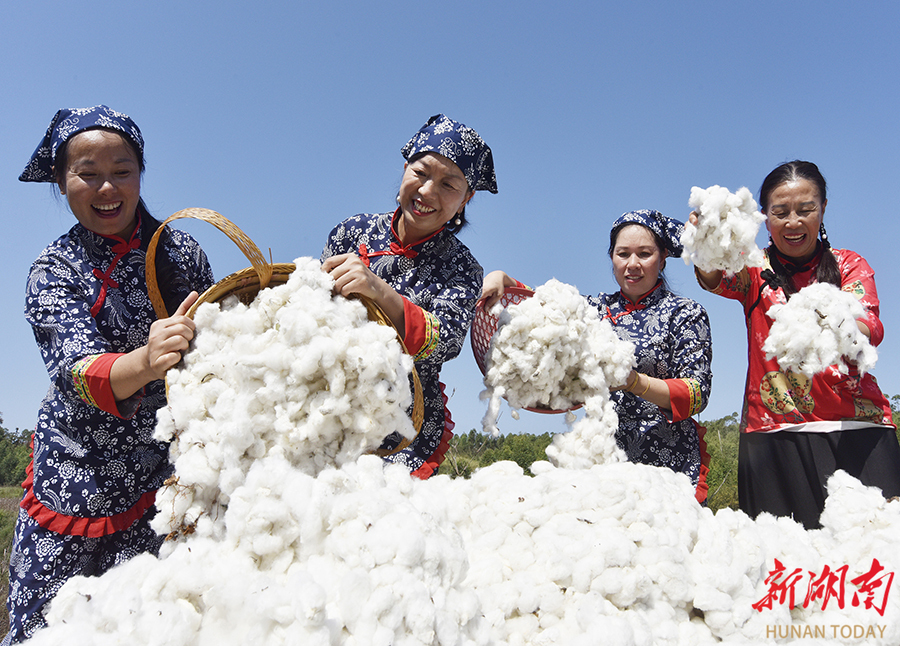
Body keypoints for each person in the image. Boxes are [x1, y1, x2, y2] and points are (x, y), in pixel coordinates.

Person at [4, 106, 215, 643]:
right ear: (61, 180)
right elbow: (77, 372)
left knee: (148, 624)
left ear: (141, 174)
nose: (107, 187)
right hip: (75, 480)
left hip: (158, 481)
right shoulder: (54, 270)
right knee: (49, 629)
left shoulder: (183, 252)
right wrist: (144, 362)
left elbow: (218, 341)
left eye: (122, 170)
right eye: (87, 172)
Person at [691, 160, 900, 529]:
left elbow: (869, 327)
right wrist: (707, 240)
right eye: (780, 211)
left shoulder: (849, 265)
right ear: (764, 217)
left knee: (878, 554)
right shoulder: (754, 270)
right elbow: (713, 276)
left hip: (858, 432)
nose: (793, 222)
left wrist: (841, 326)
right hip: (774, 436)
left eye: (806, 210)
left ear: (823, 210)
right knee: (788, 565)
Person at [481, 210, 713, 502]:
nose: (632, 264)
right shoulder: (594, 310)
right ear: (612, 258)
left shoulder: (685, 314)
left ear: (663, 258)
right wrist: (501, 277)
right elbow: (543, 309)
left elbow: (696, 393)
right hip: (602, 462)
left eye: (644, 254)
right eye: (622, 254)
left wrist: (634, 382)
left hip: (670, 464)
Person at [321, 114, 497, 479]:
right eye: (421, 173)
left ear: (466, 199)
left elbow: (444, 340)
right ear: (404, 169)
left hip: (402, 424)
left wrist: (377, 290)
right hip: (329, 402)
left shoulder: (462, 268)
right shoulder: (352, 232)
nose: (428, 192)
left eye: (449, 185)